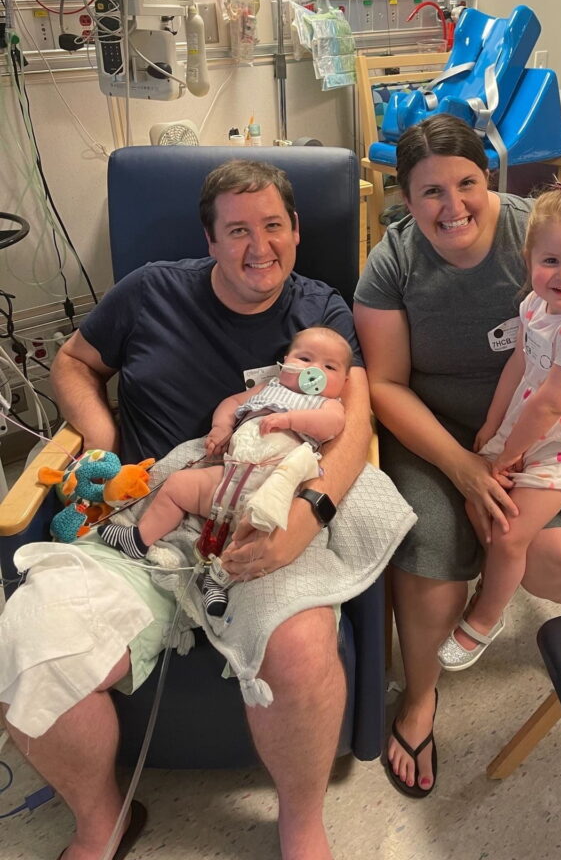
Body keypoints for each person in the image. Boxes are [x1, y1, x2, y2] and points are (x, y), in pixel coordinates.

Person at [0, 159, 371, 860]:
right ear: (210, 240)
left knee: (299, 648)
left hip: (259, 518)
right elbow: (74, 362)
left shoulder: (321, 312)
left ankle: (300, 822)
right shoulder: (148, 292)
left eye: (272, 226)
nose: (257, 247)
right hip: (146, 523)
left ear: (295, 230)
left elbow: (356, 418)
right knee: (30, 643)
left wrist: (308, 519)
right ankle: (101, 819)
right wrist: (102, 437)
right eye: (237, 231)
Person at [353, 115, 561, 799]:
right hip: (441, 434)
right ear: (405, 197)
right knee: (432, 549)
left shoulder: (538, 231)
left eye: (466, 183)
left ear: (490, 180)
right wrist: (463, 463)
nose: (452, 207)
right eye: (429, 193)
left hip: (559, 434)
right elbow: (385, 385)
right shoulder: (391, 265)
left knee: (557, 556)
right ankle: (421, 696)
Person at [437, 183, 561, 670]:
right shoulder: (533, 306)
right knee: (476, 497)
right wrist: (493, 425)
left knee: (508, 533)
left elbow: (550, 405)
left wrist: (507, 456)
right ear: (529, 260)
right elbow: (519, 366)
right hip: (531, 427)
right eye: (551, 261)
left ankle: (486, 615)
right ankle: (504, 576)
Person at [97, 326, 351, 617]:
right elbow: (230, 404)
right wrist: (221, 427)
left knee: (260, 538)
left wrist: (290, 420)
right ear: (284, 362)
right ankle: (140, 538)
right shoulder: (266, 389)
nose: (314, 371)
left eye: (329, 367)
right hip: (226, 476)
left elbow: (332, 426)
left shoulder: (328, 405)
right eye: (305, 359)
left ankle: (217, 579)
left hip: (270, 489)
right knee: (178, 485)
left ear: (343, 381)